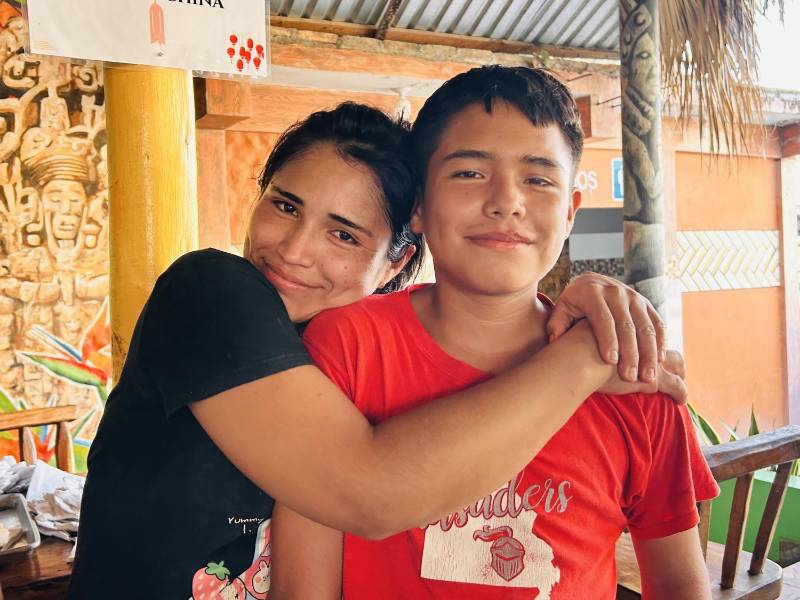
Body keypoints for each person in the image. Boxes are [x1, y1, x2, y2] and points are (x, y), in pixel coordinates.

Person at [70, 102, 684, 599]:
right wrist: (588, 356)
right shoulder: (210, 293)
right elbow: (369, 492)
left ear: (398, 258)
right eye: (285, 206)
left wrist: (586, 301)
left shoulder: (337, 348)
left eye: (343, 233)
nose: (294, 250)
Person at [269, 68, 718, 599]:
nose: (507, 202)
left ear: (571, 211)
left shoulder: (634, 378)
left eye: (539, 179)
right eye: (469, 173)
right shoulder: (347, 346)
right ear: (419, 206)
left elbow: (681, 587)